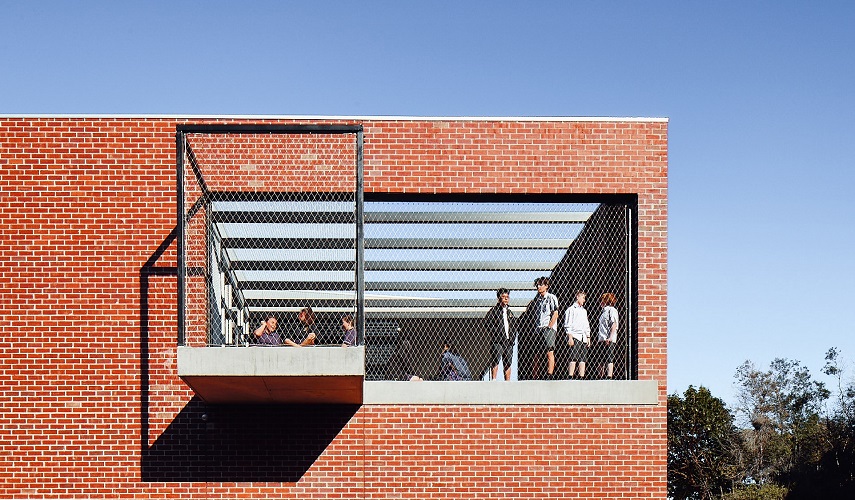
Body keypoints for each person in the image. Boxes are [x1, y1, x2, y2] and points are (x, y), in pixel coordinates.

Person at [484, 287, 516, 380]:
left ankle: (508, 381)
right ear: (499, 298)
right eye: (503, 296)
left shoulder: (509, 312)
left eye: (507, 297)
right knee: (496, 359)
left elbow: (514, 326)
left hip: (508, 341)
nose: (506, 298)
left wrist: (512, 338)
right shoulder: (494, 311)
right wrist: (496, 333)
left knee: (508, 361)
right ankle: (494, 379)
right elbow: (487, 323)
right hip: (498, 340)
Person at [531, 276, 559, 379]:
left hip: (548, 328)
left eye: (541, 284)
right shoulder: (537, 300)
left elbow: (555, 313)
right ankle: (535, 376)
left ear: (546, 286)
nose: (539, 286)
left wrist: (549, 327)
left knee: (549, 351)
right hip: (538, 328)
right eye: (537, 284)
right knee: (536, 354)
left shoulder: (551, 297)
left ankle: (550, 374)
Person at [564, 291, 591, 379]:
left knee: (583, 358)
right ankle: (570, 376)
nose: (584, 300)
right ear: (577, 297)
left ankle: (581, 376)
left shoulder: (584, 311)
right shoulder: (571, 309)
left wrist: (588, 337)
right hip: (575, 336)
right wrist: (570, 337)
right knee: (573, 357)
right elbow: (568, 324)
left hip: (583, 337)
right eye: (583, 298)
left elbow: (586, 324)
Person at [595, 292, 619, 379]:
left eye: (602, 300)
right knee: (600, 359)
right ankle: (600, 376)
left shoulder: (611, 310)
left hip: (609, 338)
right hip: (602, 338)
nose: (600, 302)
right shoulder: (603, 312)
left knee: (609, 357)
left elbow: (614, 324)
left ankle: (609, 376)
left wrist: (610, 337)